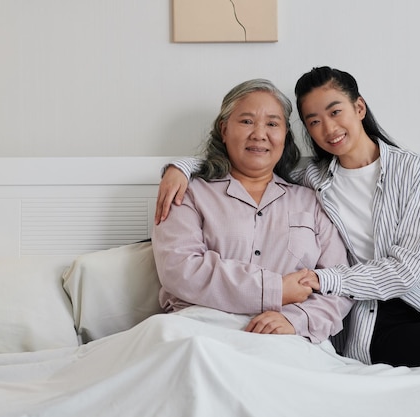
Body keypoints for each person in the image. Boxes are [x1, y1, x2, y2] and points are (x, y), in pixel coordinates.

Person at [154, 67, 420, 404]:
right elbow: (250, 161)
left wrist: (322, 281)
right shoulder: (313, 180)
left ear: (359, 108)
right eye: (314, 121)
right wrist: (181, 167)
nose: (328, 129)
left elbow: (405, 270)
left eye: (335, 112)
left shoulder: (411, 171)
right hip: (365, 320)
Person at [151, 79, 353, 343]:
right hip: (201, 329)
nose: (259, 134)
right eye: (246, 121)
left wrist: (297, 319)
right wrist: (275, 290)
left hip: (287, 336)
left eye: (272, 124)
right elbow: (179, 269)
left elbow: (339, 284)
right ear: (224, 130)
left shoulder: (311, 202)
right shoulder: (187, 192)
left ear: (284, 137)